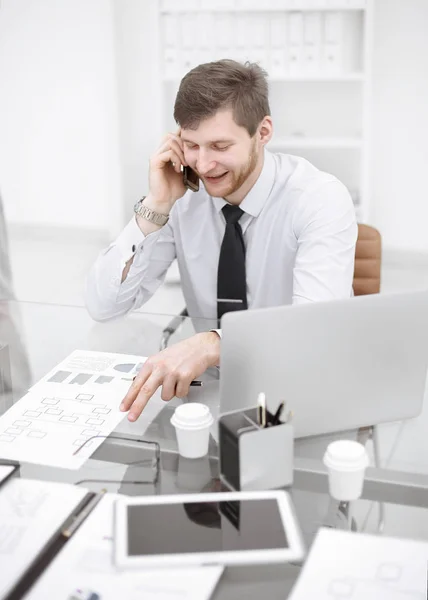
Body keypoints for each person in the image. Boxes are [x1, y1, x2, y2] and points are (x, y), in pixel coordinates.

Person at [85, 59, 357, 422]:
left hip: (296, 383)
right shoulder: (184, 197)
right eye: (191, 145)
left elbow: (313, 333)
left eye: (219, 145)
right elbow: (104, 306)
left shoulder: (319, 198)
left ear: (262, 132)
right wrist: (157, 204)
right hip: (212, 391)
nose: (204, 164)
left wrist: (215, 342)